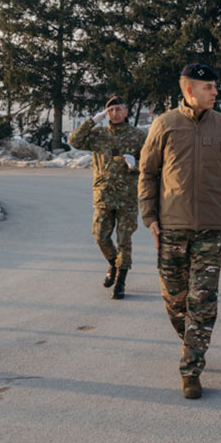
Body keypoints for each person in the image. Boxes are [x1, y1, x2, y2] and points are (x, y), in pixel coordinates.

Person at [139, 64, 221, 400]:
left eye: (215, 87)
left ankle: (191, 370)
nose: (215, 92)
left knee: (202, 302)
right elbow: (147, 173)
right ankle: (192, 341)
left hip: (211, 230)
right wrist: (149, 216)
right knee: (175, 301)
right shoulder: (165, 124)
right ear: (189, 89)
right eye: (208, 87)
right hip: (171, 227)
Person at [68, 95, 147, 299]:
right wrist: (93, 121)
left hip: (127, 198)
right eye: (110, 111)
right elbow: (74, 140)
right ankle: (113, 263)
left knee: (124, 240)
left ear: (126, 111)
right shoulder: (98, 135)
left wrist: (135, 164)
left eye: (119, 109)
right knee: (100, 235)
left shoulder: (138, 136)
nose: (115, 113)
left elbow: (153, 162)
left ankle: (120, 281)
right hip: (103, 195)